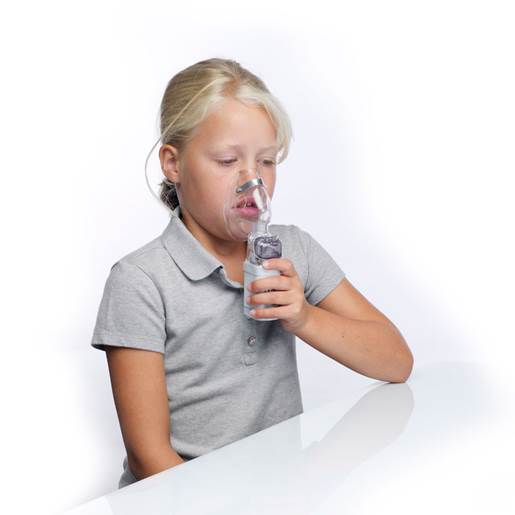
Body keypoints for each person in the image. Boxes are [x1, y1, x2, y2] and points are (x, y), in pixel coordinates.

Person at [90, 57, 413, 489]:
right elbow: (149, 458)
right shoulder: (141, 280)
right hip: (180, 500)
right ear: (172, 164)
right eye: (227, 161)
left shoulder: (294, 249)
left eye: (266, 162)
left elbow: (396, 361)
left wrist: (303, 317)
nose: (252, 182)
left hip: (277, 493)